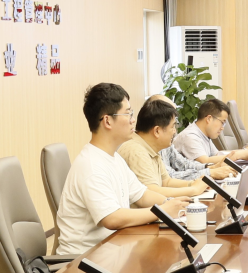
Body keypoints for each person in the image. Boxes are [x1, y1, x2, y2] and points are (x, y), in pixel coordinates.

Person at [56, 84, 189, 256]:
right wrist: (162, 211)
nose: (133, 120)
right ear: (107, 121)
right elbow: (112, 218)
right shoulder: (90, 165)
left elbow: (142, 195)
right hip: (84, 260)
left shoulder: (114, 158)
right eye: (128, 114)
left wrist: (173, 204)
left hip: (111, 250)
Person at [122, 97, 208, 199]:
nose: (175, 131)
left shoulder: (151, 147)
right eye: (172, 126)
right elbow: (152, 191)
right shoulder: (136, 151)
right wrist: (193, 190)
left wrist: (192, 184)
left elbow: (166, 182)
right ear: (157, 131)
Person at [149, 95, 234, 182]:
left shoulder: (166, 144)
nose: (174, 131)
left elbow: (183, 164)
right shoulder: (147, 149)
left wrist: (210, 167)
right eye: (172, 125)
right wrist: (210, 172)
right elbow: (170, 177)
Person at [174, 97, 248, 166]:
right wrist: (236, 155)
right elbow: (205, 162)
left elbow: (216, 155)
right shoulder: (190, 136)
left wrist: (242, 152)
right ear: (209, 119)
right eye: (222, 122)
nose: (222, 128)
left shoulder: (203, 133)